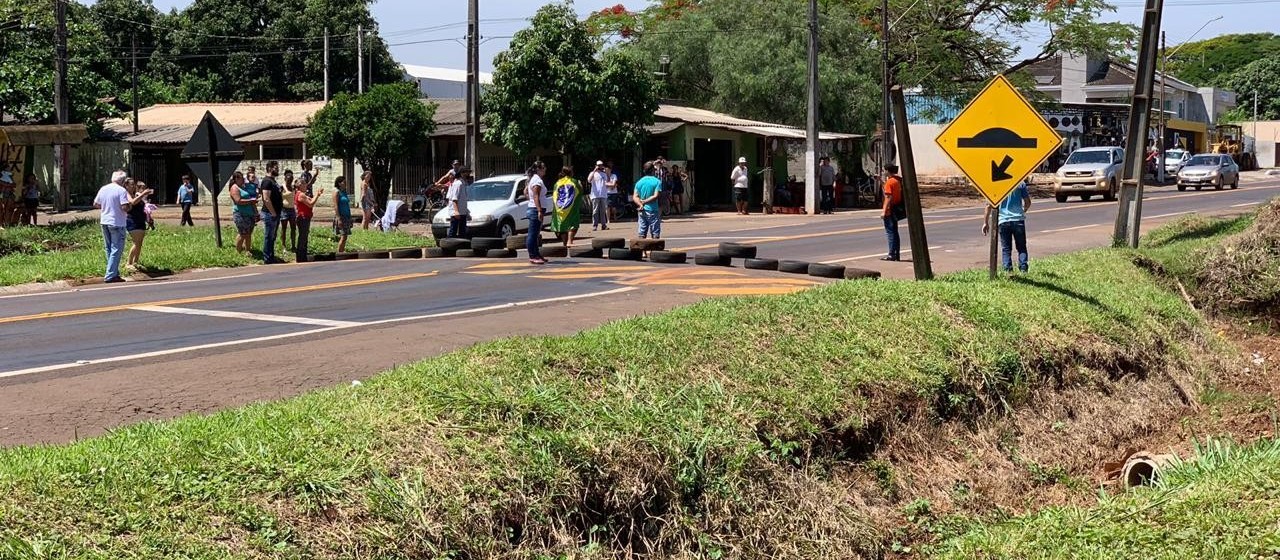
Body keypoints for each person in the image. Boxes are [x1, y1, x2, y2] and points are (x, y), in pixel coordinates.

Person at [983, 180, 1032, 273]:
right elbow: (1028, 202)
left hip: (1003, 220)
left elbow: (988, 206)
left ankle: (1008, 270)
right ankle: (1023, 268)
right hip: (1018, 219)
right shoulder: (1020, 183)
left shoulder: (996, 184)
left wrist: (985, 222)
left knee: (1006, 248)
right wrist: (1023, 211)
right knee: (1021, 247)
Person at [93, 170, 132, 283]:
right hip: (117, 222)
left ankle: (114, 273)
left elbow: (96, 204)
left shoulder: (104, 188)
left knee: (109, 248)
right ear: (123, 181)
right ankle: (110, 275)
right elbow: (124, 207)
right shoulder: (121, 190)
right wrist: (130, 207)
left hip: (105, 220)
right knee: (117, 249)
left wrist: (107, 206)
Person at [551, 166, 583, 247]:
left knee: (562, 225)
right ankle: (570, 241)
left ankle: (565, 243)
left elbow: (554, 195)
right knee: (573, 224)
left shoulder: (557, 183)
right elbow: (580, 192)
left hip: (559, 208)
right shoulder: (574, 182)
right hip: (571, 207)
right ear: (571, 173)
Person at [125, 180, 154, 270]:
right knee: (136, 243)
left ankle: (135, 262)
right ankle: (128, 263)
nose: (133, 186)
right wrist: (143, 194)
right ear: (126, 185)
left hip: (140, 220)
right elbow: (132, 202)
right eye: (131, 184)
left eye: (134, 184)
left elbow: (143, 209)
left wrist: (149, 219)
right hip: (133, 221)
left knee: (139, 243)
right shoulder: (126, 194)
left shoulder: (136, 195)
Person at [293, 177, 324, 263]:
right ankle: (301, 256)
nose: (306, 185)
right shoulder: (301, 194)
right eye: (304, 183)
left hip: (305, 217)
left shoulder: (302, 194)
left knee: (304, 236)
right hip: (303, 217)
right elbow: (310, 204)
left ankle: (303, 255)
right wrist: (317, 195)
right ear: (300, 185)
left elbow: (310, 200)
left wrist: (317, 195)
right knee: (303, 237)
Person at [258, 161, 284, 264]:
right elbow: (266, 199)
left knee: (272, 236)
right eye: (275, 168)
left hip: (275, 213)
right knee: (268, 236)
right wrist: (273, 213)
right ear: (269, 168)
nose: (277, 169)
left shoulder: (273, 181)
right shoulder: (267, 181)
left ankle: (271, 255)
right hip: (270, 214)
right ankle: (267, 258)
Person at [525, 161, 548, 265]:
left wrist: (530, 201)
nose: (545, 169)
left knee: (536, 233)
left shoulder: (534, 179)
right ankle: (532, 256)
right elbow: (535, 196)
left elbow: (525, 192)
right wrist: (539, 210)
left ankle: (537, 254)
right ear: (538, 169)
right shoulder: (536, 181)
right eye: (543, 167)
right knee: (533, 234)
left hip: (534, 208)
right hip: (535, 210)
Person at [229, 170, 257, 254]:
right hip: (240, 214)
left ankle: (248, 250)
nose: (244, 180)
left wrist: (255, 212)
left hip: (249, 214)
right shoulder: (234, 188)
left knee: (248, 233)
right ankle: (238, 251)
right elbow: (238, 201)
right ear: (236, 178)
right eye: (242, 178)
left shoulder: (243, 187)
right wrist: (251, 201)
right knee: (242, 233)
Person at [880, 164, 904, 262]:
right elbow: (887, 189)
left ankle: (891, 254)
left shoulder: (890, 182)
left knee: (890, 232)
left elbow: (888, 197)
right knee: (895, 232)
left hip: (890, 210)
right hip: (896, 209)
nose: (883, 172)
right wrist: (881, 182)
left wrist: (884, 211)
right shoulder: (898, 180)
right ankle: (896, 253)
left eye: (884, 170)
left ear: (888, 171)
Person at [634, 162, 663, 239]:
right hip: (652, 210)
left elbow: (635, 196)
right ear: (653, 170)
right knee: (655, 233)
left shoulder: (639, 182)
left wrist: (640, 204)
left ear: (644, 171)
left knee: (642, 233)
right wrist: (644, 202)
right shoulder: (657, 181)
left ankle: (642, 250)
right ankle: (655, 250)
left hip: (642, 210)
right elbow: (656, 196)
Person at [445, 167, 471, 238]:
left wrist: (466, 212)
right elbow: (454, 199)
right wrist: (456, 211)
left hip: (462, 212)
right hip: (456, 213)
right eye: (466, 172)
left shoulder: (463, 183)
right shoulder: (458, 184)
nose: (468, 174)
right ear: (462, 174)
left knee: (462, 233)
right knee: (453, 232)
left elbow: (462, 200)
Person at [587, 160, 610, 231]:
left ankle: (603, 225)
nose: (600, 166)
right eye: (598, 165)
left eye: (601, 165)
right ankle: (595, 225)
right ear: (596, 165)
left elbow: (608, 180)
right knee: (595, 211)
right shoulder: (592, 173)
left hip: (603, 194)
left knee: (603, 211)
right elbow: (589, 180)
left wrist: (606, 172)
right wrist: (594, 170)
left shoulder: (603, 174)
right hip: (595, 195)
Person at [332, 176, 353, 253]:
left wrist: (350, 217)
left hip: (347, 216)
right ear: (339, 183)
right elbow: (335, 205)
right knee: (343, 236)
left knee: (345, 236)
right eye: (344, 182)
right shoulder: (337, 192)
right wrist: (338, 218)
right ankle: (340, 252)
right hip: (341, 216)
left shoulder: (344, 192)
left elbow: (347, 205)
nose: (345, 184)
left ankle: (342, 251)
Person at [279, 169, 297, 252]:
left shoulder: (293, 187)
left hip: (292, 209)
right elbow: (278, 198)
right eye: (288, 180)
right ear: (285, 179)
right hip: (284, 210)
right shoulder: (282, 187)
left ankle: (293, 246)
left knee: (293, 228)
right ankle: (283, 246)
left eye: (291, 180)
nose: (290, 181)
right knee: (284, 228)